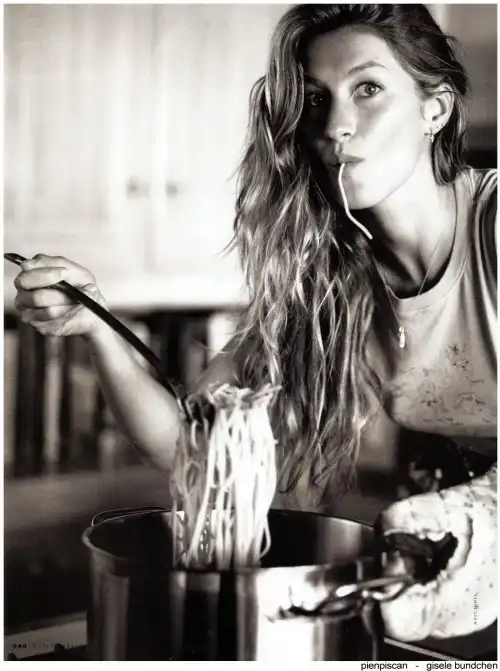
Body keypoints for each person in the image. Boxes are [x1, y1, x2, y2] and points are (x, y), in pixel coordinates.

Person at [11, 4, 496, 644]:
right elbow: (191, 446)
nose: (337, 125)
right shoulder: (330, 284)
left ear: (435, 109)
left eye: (368, 89)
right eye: (316, 99)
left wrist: (488, 508)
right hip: (448, 534)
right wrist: (97, 328)